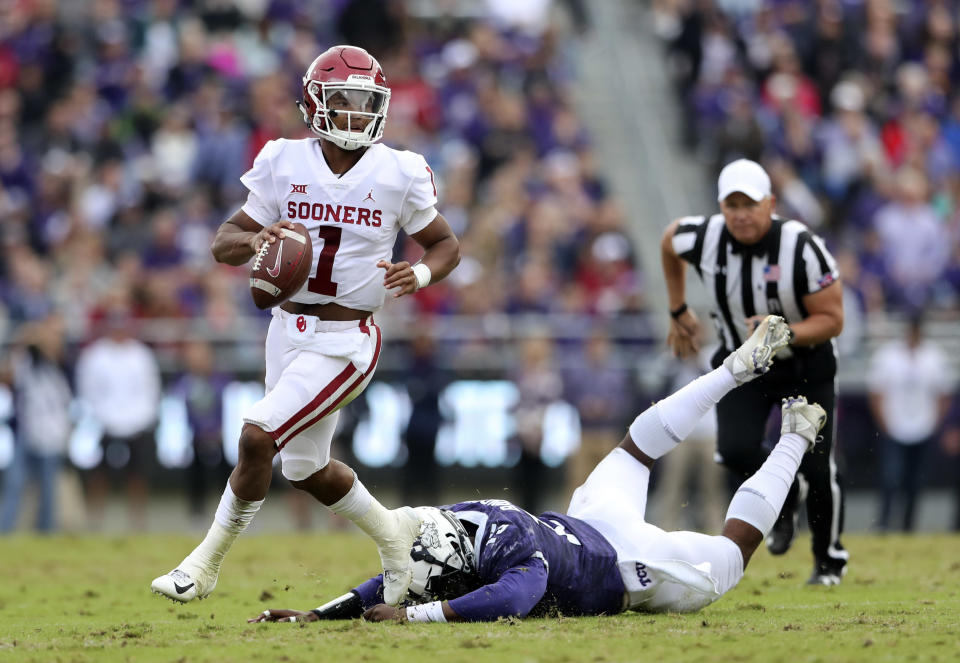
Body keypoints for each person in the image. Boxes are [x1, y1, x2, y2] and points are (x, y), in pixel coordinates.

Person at [249, 316, 820, 624]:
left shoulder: (507, 558)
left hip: (625, 564)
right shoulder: (462, 531)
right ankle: (737, 378)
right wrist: (315, 616)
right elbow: (388, 578)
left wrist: (420, 617)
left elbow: (514, 599)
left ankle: (793, 436)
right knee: (633, 450)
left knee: (732, 556)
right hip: (597, 527)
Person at [151, 45, 461, 605]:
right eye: (344, 101)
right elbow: (223, 240)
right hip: (286, 329)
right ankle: (395, 540)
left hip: (348, 339)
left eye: (367, 102)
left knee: (256, 435)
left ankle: (203, 565)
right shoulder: (282, 160)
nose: (357, 114)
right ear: (315, 104)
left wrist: (416, 275)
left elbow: (445, 245)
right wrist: (256, 239)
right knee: (303, 467)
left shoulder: (399, 169)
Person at [660, 159, 847, 585]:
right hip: (744, 360)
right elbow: (669, 242)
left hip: (805, 359)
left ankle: (828, 562)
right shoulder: (704, 236)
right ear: (721, 207)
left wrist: (779, 331)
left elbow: (833, 319)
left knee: (816, 465)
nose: (742, 214)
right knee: (734, 448)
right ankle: (783, 503)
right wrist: (677, 307)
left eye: (751, 203)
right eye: (733, 204)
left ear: (771, 204)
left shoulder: (801, 246)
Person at [76, 309, 161, 531]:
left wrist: (144, 417)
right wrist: (100, 417)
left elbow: (150, 388)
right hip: (105, 424)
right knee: (99, 474)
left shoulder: (141, 354)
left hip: (138, 423)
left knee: (138, 475)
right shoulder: (95, 355)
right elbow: (88, 390)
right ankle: (95, 520)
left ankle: (137, 522)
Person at [867, 314, 953, 532]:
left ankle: (908, 526)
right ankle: (884, 523)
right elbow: (876, 391)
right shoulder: (888, 355)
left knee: (916, 481)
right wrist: (884, 423)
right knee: (891, 478)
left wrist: (935, 423)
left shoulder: (934, 356)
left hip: (923, 426)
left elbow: (944, 394)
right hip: (894, 425)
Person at [0, 314, 73, 533]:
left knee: (48, 488)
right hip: (26, 430)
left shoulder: (62, 367)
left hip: (52, 431)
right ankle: (5, 530)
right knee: (16, 483)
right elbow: (8, 374)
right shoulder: (26, 362)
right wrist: (28, 339)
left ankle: (45, 531)